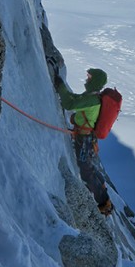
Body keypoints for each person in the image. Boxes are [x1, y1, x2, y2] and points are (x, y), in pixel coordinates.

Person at [53, 67, 113, 216]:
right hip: (87, 137)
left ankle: (103, 203)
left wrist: (60, 86)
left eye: (90, 77)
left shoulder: (92, 99)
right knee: (89, 167)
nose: (87, 79)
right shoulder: (93, 96)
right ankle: (102, 191)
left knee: (86, 171)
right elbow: (76, 100)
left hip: (84, 139)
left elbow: (70, 104)